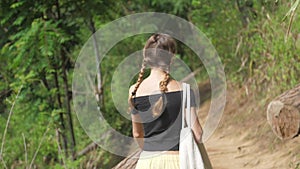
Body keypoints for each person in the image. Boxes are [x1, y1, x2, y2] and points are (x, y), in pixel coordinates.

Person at [128, 33, 203, 169]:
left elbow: (137, 133)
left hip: (147, 162)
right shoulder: (184, 90)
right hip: (178, 161)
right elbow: (197, 132)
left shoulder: (135, 90)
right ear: (171, 57)